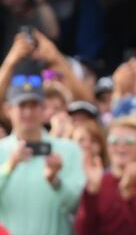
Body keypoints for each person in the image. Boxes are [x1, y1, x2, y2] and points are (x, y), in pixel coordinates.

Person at [0, 66, 86, 234]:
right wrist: (8, 167)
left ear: (43, 108)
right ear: (8, 109)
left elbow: (78, 207)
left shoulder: (69, 150)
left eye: (34, 105)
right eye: (22, 105)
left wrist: (55, 180)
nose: (28, 112)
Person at [74, 117, 136, 235]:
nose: (120, 147)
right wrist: (91, 192)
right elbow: (83, 231)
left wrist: (128, 196)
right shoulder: (98, 180)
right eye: (114, 141)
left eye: (129, 141)